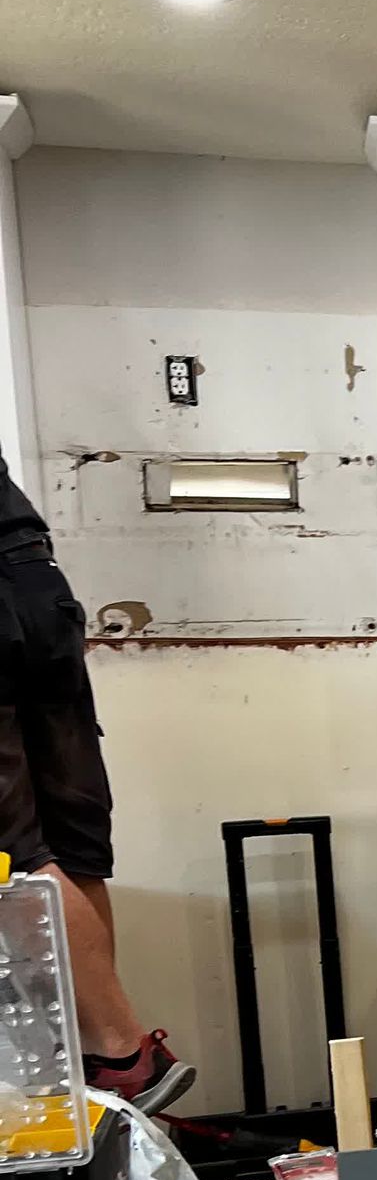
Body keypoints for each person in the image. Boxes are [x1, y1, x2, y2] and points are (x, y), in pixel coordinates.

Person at [0, 452, 192, 1112]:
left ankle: (119, 1053)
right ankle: (104, 1057)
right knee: (66, 842)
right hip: (33, 577)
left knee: (13, 856)